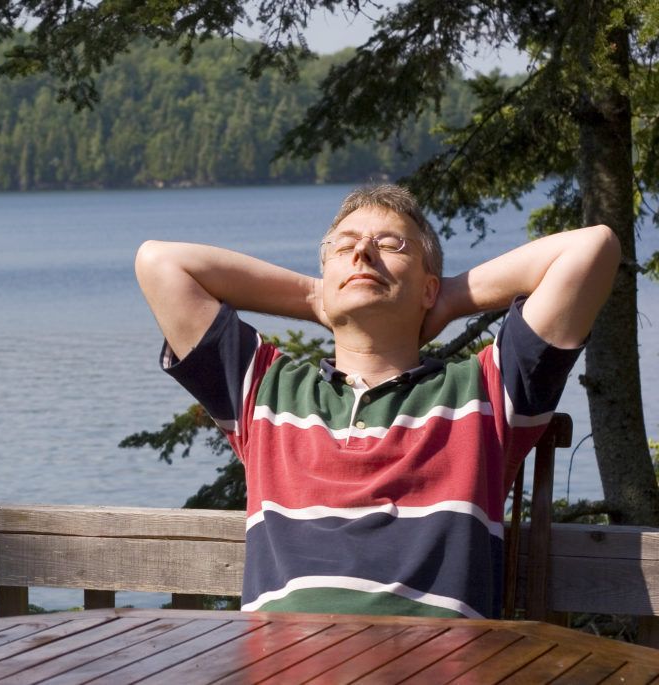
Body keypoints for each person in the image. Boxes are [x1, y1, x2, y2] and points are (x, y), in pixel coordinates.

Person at [134, 184, 619, 618]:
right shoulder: (264, 389)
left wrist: (450, 299)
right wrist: (312, 295)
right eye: (344, 246)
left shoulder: (488, 393)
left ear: (427, 287)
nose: (363, 251)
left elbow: (591, 249)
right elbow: (160, 264)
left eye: (391, 245)